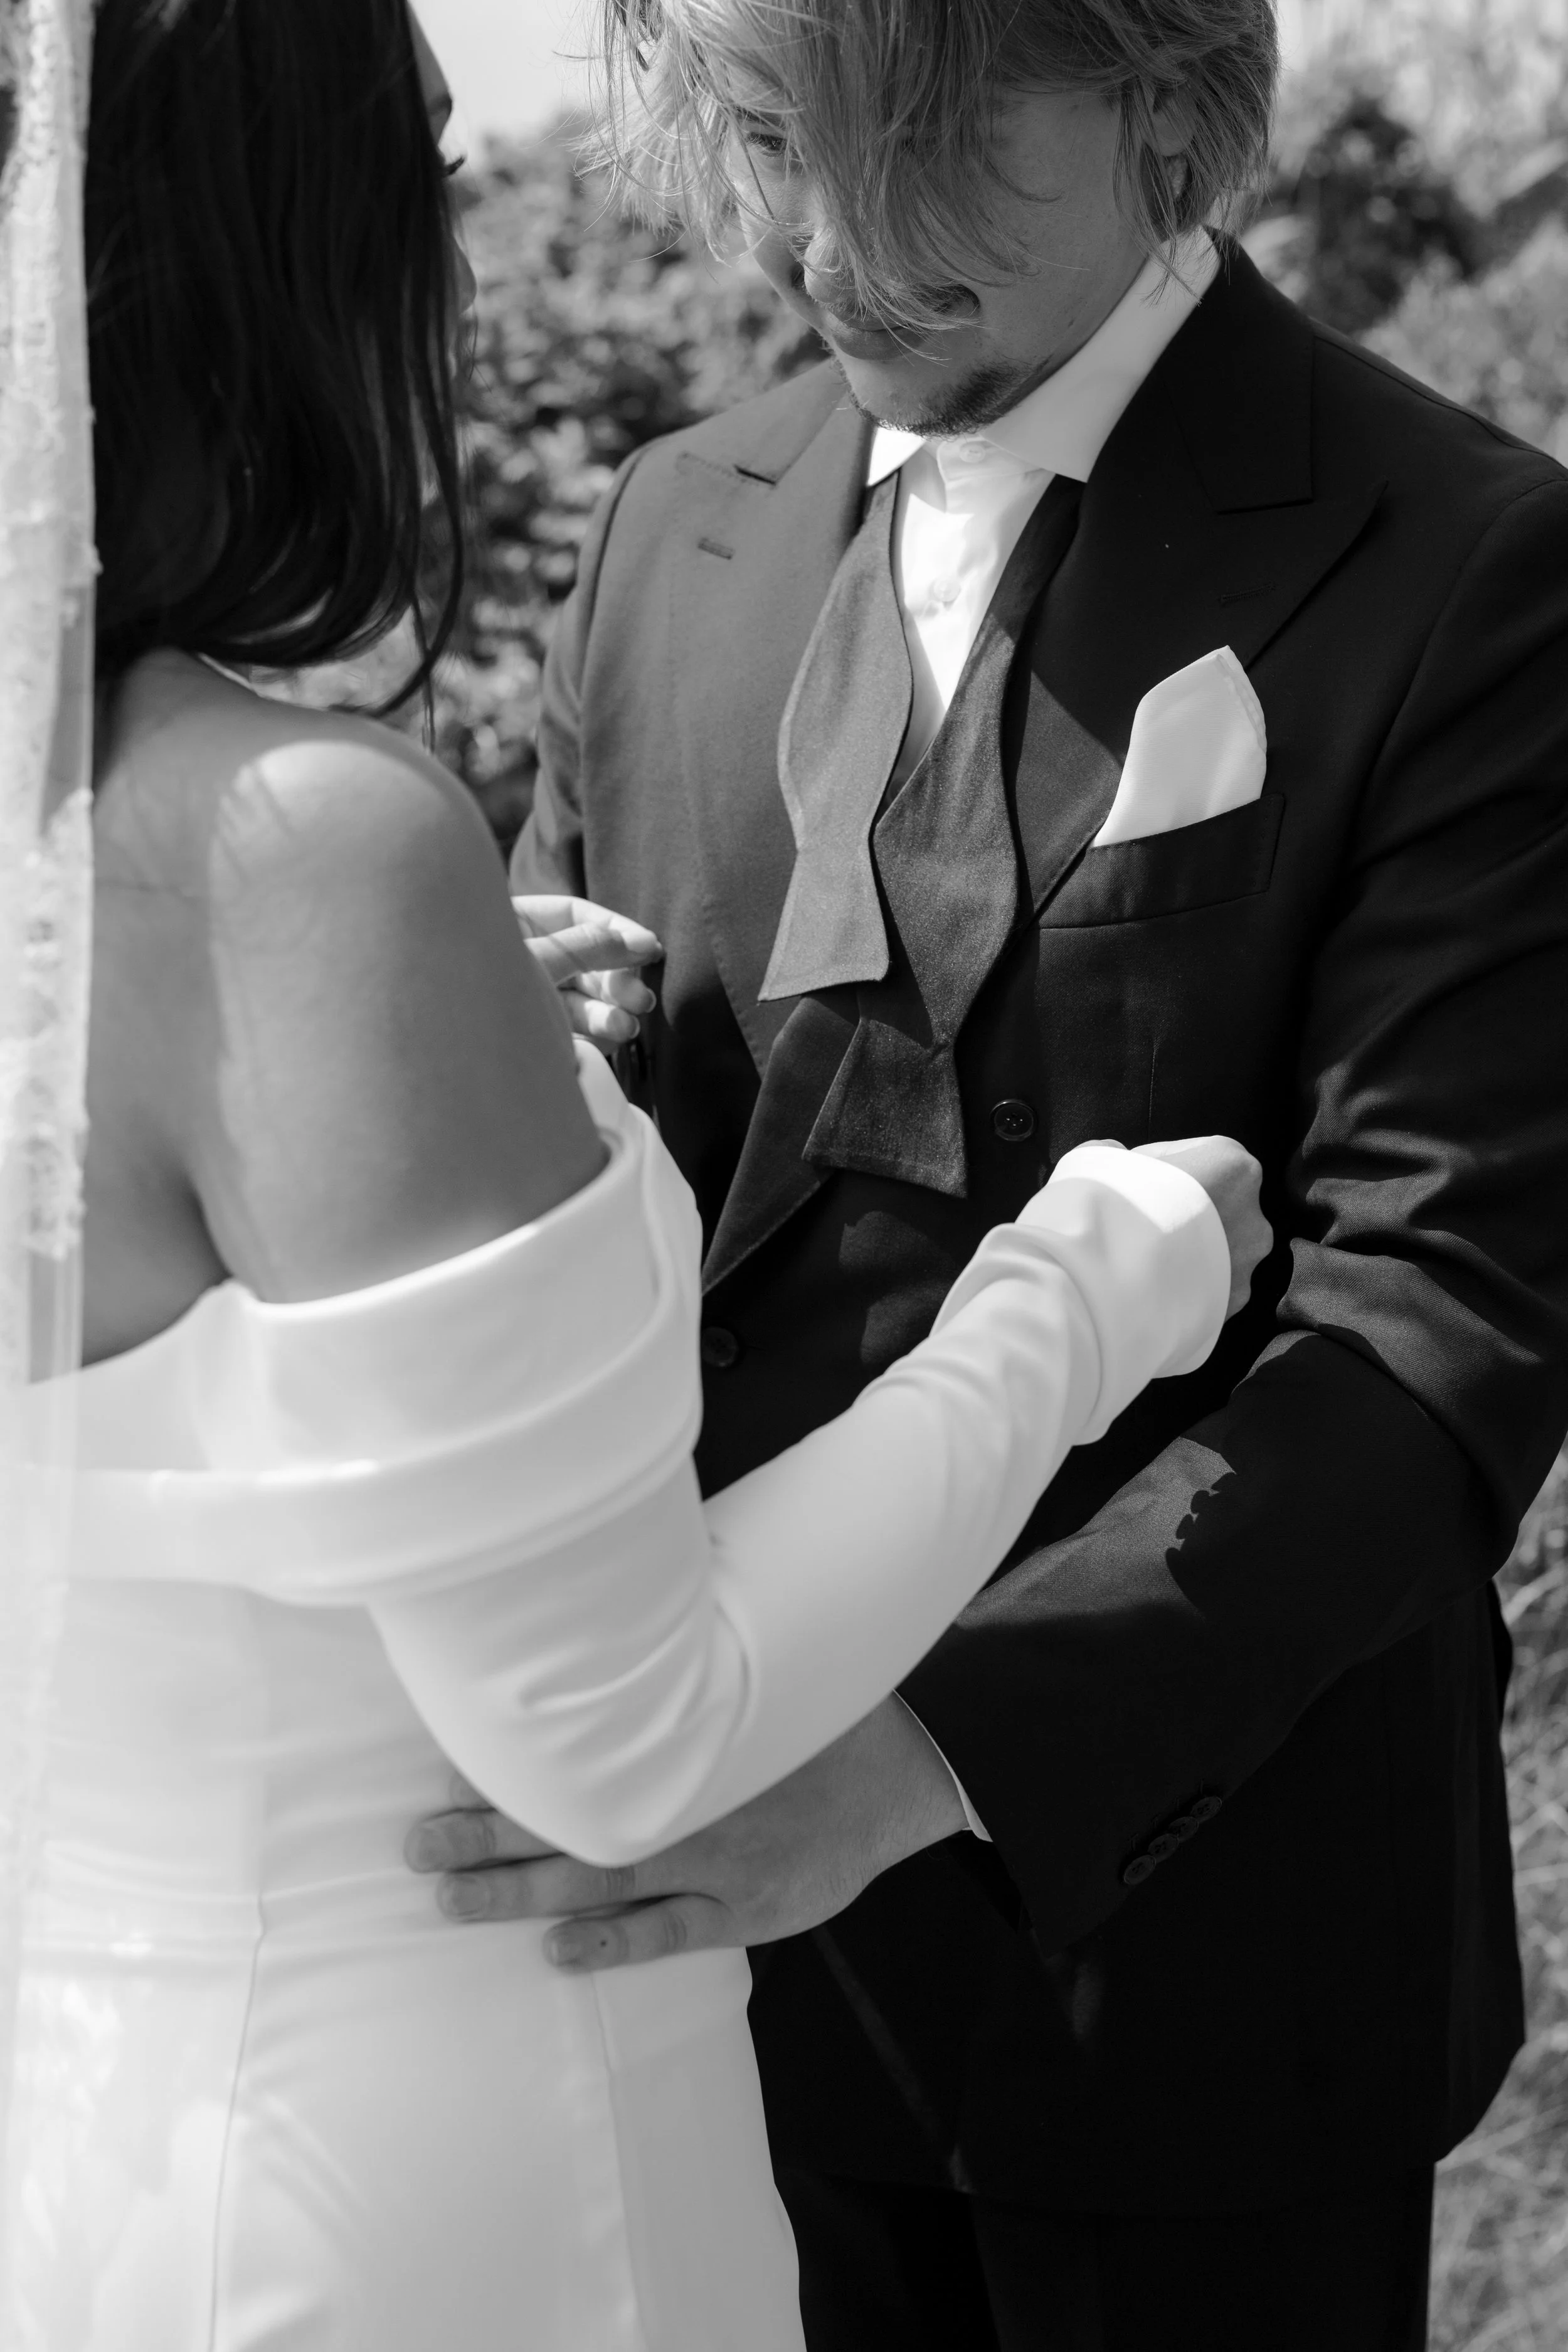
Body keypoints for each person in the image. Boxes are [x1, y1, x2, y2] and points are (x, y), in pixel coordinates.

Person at [4, 1, 1268, 2345]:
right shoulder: (302, 841)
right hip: (458, 2149)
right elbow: (619, 1733)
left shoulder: (90, 872)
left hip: (98, 2121)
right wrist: (1090, 1280)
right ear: (271, 257)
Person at [477, 1, 1568, 2346]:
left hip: (1205, 1967)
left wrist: (921, 1761)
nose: (833, 239)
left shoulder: (1475, 562)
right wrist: (505, 1061)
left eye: (935, 145)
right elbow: (631, 1213)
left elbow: (1437, 1308)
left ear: (1170, 106)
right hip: (697, 1972)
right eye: (773, 139)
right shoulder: (672, 527)